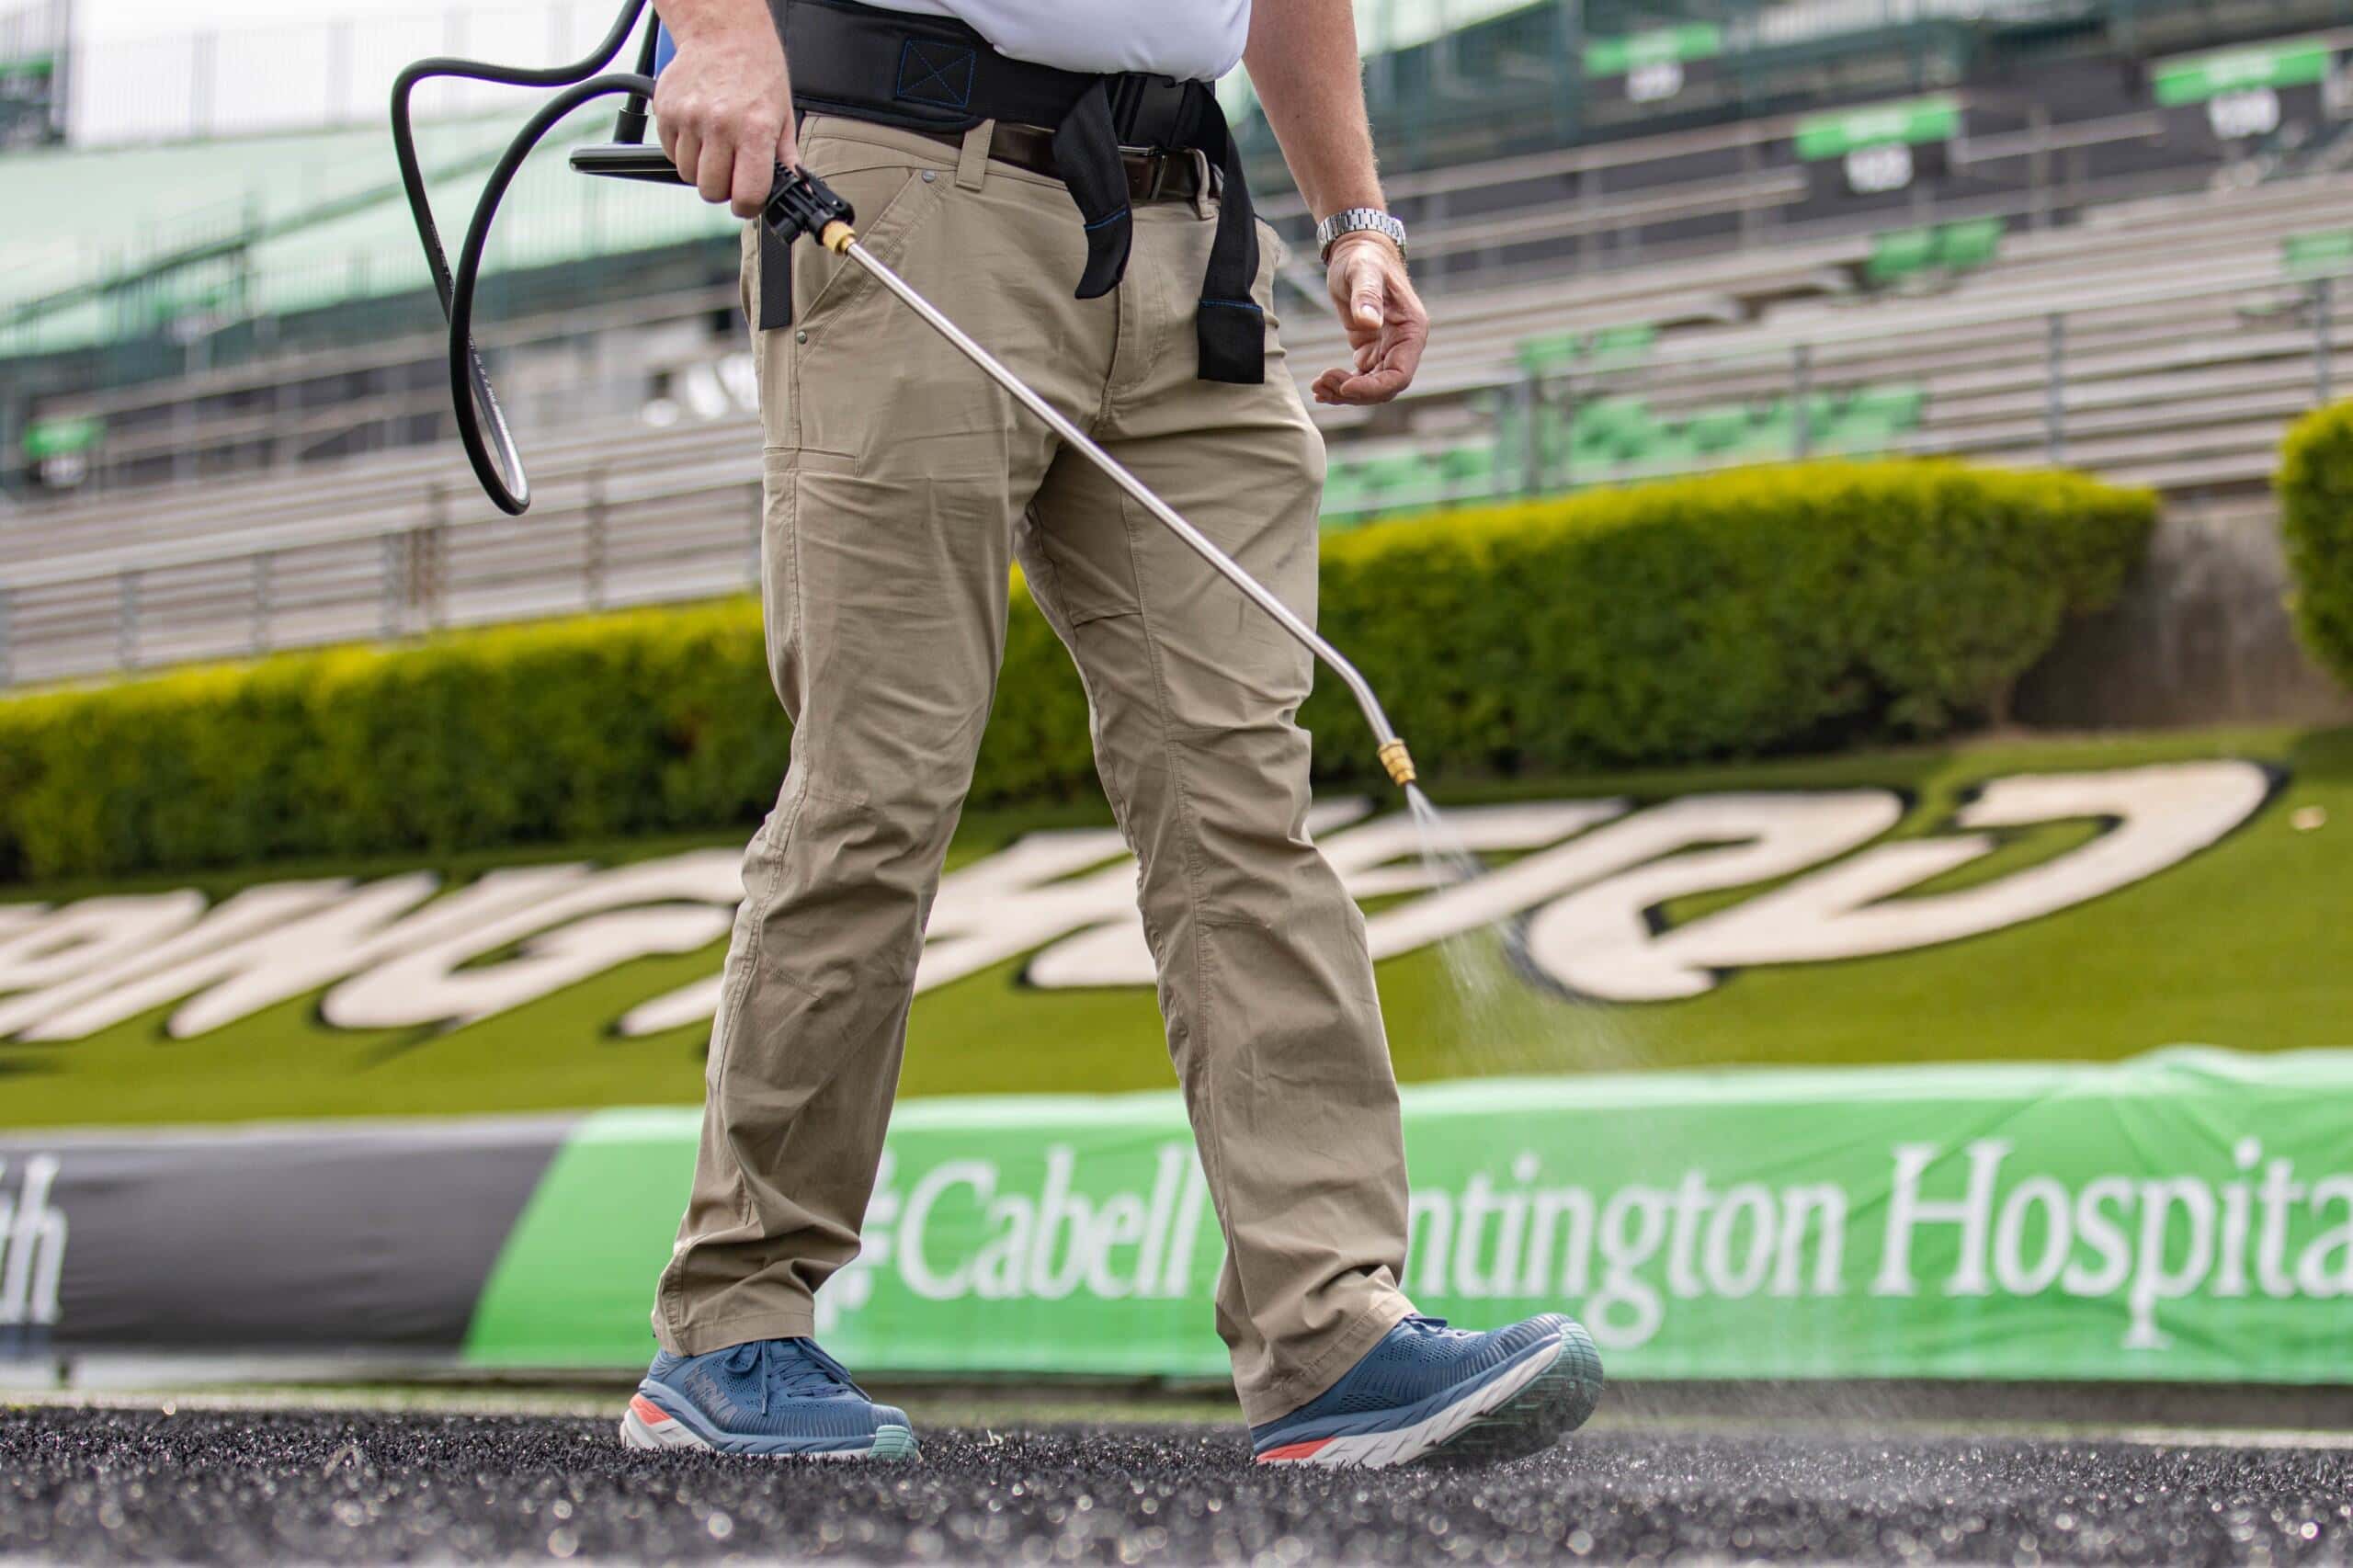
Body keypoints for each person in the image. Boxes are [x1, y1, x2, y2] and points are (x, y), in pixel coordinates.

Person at [617, 0, 1603, 1469]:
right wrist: (715, 31)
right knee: (876, 786)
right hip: (906, 185)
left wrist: (1355, 215)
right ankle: (734, 1316)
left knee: (1240, 801)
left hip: (1185, 228)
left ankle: (1327, 1327)